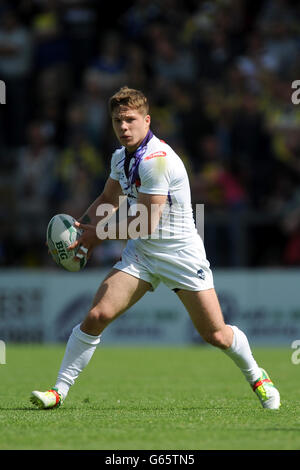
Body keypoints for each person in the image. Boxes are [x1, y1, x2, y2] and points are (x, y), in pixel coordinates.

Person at [30, 86, 280, 410]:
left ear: (147, 121)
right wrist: (78, 231)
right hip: (143, 253)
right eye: (118, 121)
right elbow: (108, 200)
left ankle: (257, 375)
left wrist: (96, 236)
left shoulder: (157, 161)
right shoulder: (120, 157)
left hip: (180, 254)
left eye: (130, 120)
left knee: (216, 334)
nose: (123, 127)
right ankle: (58, 391)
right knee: (97, 315)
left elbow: (145, 223)